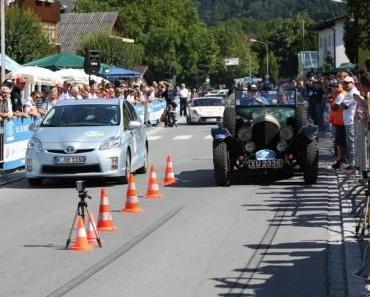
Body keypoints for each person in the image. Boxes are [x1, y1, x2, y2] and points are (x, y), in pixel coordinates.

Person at [336, 76, 362, 170]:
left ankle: (353, 164)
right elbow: (339, 106)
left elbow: (342, 106)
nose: (345, 85)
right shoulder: (348, 92)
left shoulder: (353, 93)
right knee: (350, 143)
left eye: (347, 83)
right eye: (344, 83)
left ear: (352, 83)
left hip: (351, 122)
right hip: (348, 121)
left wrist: (340, 105)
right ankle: (353, 164)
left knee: (352, 143)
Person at [329, 80, 347, 169]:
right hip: (338, 122)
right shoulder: (337, 95)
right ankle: (339, 160)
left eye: (333, 86)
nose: (332, 88)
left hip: (342, 122)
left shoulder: (341, 94)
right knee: (338, 143)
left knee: (341, 143)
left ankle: (342, 160)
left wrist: (333, 100)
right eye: (331, 87)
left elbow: (334, 107)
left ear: (337, 87)